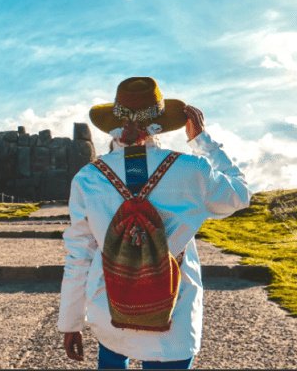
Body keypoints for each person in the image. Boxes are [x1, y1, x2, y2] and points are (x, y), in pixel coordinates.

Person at [58, 77, 251, 369]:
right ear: (162, 123)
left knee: (113, 350)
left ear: (113, 125)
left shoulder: (89, 178)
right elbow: (240, 194)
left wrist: (70, 322)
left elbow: (79, 255)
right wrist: (202, 140)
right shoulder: (192, 170)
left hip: (111, 308)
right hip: (173, 311)